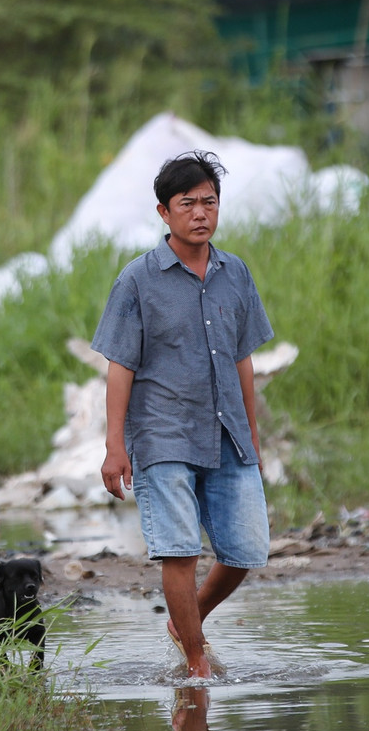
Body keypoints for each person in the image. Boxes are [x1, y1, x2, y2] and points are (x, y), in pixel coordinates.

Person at [91, 150, 274, 680]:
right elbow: (119, 365)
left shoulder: (234, 273)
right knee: (178, 553)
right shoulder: (137, 281)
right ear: (163, 212)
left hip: (225, 433)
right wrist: (114, 445)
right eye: (187, 203)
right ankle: (196, 666)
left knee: (245, 550)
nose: (200, 213)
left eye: (209, 202)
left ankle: (185, 622)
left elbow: (244, 360)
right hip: (163, 435)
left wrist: (252, 436)